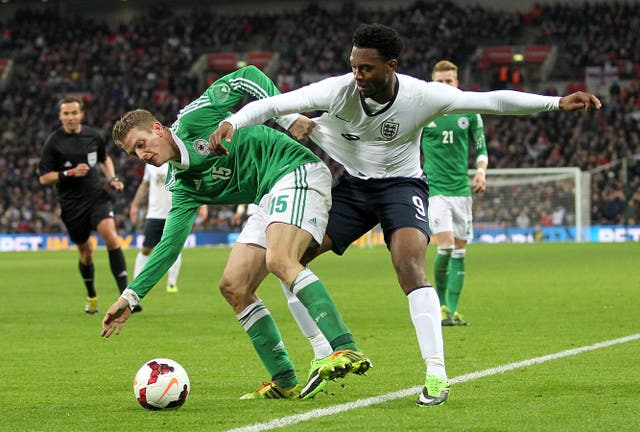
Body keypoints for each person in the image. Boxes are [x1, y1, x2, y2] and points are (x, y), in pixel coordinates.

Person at [210, 23, 601, 406]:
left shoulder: (424, 96)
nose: (358, 75)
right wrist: (232, 121)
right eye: (354, 66)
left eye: (367, 68)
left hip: (402, 187)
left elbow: (493, 100)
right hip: (353, 188)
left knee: (409, 266)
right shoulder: (337, 90)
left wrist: (556, 102)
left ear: (391, 65)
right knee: (289, 260)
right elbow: (271, 105)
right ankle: (324, 352)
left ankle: (436, 371)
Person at [100, 66, 371, 400]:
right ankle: (284, 379)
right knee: (234, 287)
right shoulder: (182, 185)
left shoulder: (195, 118)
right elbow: (168, 246)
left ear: (158, 129)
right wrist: (130, 297)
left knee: (280, 259)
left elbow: (250, 77)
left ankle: (344, 348)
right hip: (266, 196)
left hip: (294, 169)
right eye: (134, 153)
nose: (142, 155)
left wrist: (288, 119)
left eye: (142, 144)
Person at [38, 96, 135, 315]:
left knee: (111, 237)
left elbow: (105, 158)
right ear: (60, 116)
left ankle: (127, 296)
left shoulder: (94, 136)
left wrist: (112, 178)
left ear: (81, 114)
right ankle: (91, 295)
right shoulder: (54, 142)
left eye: (74, 113)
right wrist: (68, 173)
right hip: (72, 204)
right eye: (66, 113)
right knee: (86, 251)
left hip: (96, 196)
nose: (70, 117)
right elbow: (44, 178)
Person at [420, 60, 488, 326]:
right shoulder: (424, 114)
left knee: (460, 252)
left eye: (449, 82)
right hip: (435, 190)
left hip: (462, 191)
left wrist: (481, 171)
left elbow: (481, 149)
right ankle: (439, 306)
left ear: (457, 83)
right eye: (439, 82)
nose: (445, 86)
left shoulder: (470, 111)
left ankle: (453, 310)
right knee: (445, 247)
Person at [129, 163, 209, 293]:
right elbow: (144, 185)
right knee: (146, 249)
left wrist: (203, 204)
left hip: (176, 212)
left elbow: (195, 182)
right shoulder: (150, 165)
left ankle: (172, 283)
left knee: (174, 249)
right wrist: (134, 205)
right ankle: (135, 282)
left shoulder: (179, 162)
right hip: (154, 214)